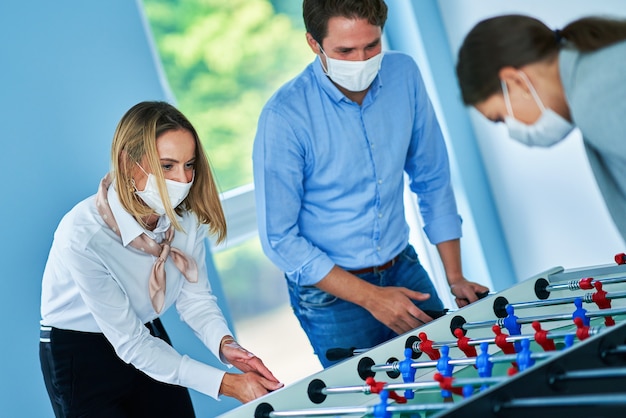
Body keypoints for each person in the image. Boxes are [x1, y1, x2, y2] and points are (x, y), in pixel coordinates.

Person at [253, 0, 489, 368]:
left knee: (455, 380)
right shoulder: (284, 116)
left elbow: (431, 176)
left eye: (371, 46)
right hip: (331, 297)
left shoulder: (404, 74)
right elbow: (280, 240)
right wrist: (371, 298)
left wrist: (455, 276)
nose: (361, 60)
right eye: (345, 50)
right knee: (373, 402)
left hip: (403, 264)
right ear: (314, 44)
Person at [39, 101, 283, 417]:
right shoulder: (83, 235)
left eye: (189, 165)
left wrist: (226, 346)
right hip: (80, 354)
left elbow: (195, 300)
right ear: (129, 164)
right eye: (167, 166)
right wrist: (227, 384)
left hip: (145, 333)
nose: (182, 180)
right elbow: (131, 345)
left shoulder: (187, 218)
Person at [456, 14, 626, 243]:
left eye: (500, 118)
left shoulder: (595, 101)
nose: (511, 129)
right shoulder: (602, 65)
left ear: (515, 81)